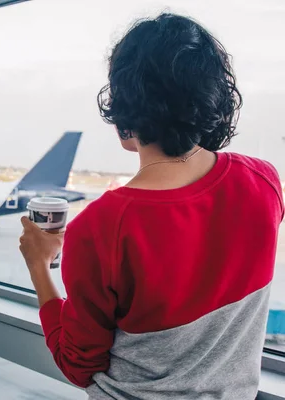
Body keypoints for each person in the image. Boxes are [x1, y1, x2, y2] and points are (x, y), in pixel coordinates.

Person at [19, 13, 284, 400]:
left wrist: (39, 267)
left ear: (125, 107)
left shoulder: (102, 227)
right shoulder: (263, 181)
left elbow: (78, 366)